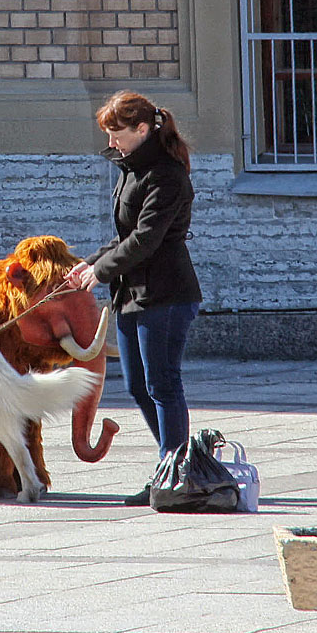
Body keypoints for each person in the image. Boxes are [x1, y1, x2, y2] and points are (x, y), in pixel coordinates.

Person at [65, 91, 202, 506]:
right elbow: (125, 238)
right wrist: (87, 263)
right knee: (140, 387)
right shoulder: (133, 169)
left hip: (166, 294)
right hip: (131, 294)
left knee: (163, 384)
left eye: (117, 134)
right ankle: (178, 468)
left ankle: (176, 473)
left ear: (142, 130)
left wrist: (100, 272)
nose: (111, 144)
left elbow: (147, 239)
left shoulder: (166, 174)